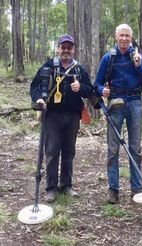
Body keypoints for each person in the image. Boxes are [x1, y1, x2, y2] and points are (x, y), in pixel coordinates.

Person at [30, 34, 94, 203]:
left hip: (73, 116)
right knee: (51, 152)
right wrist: (39, 98)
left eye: (69, 47)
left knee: (69, 152)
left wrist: (80, 87)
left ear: (73, 49)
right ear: (58, 48)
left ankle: (66, 185)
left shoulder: (79, 69)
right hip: (51, 115)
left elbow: (89, 90)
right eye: (63, 47)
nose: (66, 50)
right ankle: (51, 188)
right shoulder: (48, 66)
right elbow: (35, 86)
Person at [94, 24, 142, 204]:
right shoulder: (108, 58)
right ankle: (113, 190)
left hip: (135, 103)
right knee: (113, 149)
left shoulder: (138, 57)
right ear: (116, 37)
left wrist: (138, 66)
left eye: (127, 36)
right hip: (115, 104)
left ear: (131, 38)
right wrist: (102, 90)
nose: (124, 39)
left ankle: (136, 188)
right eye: (121, 35)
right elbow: (97, 83)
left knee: (135, 148)